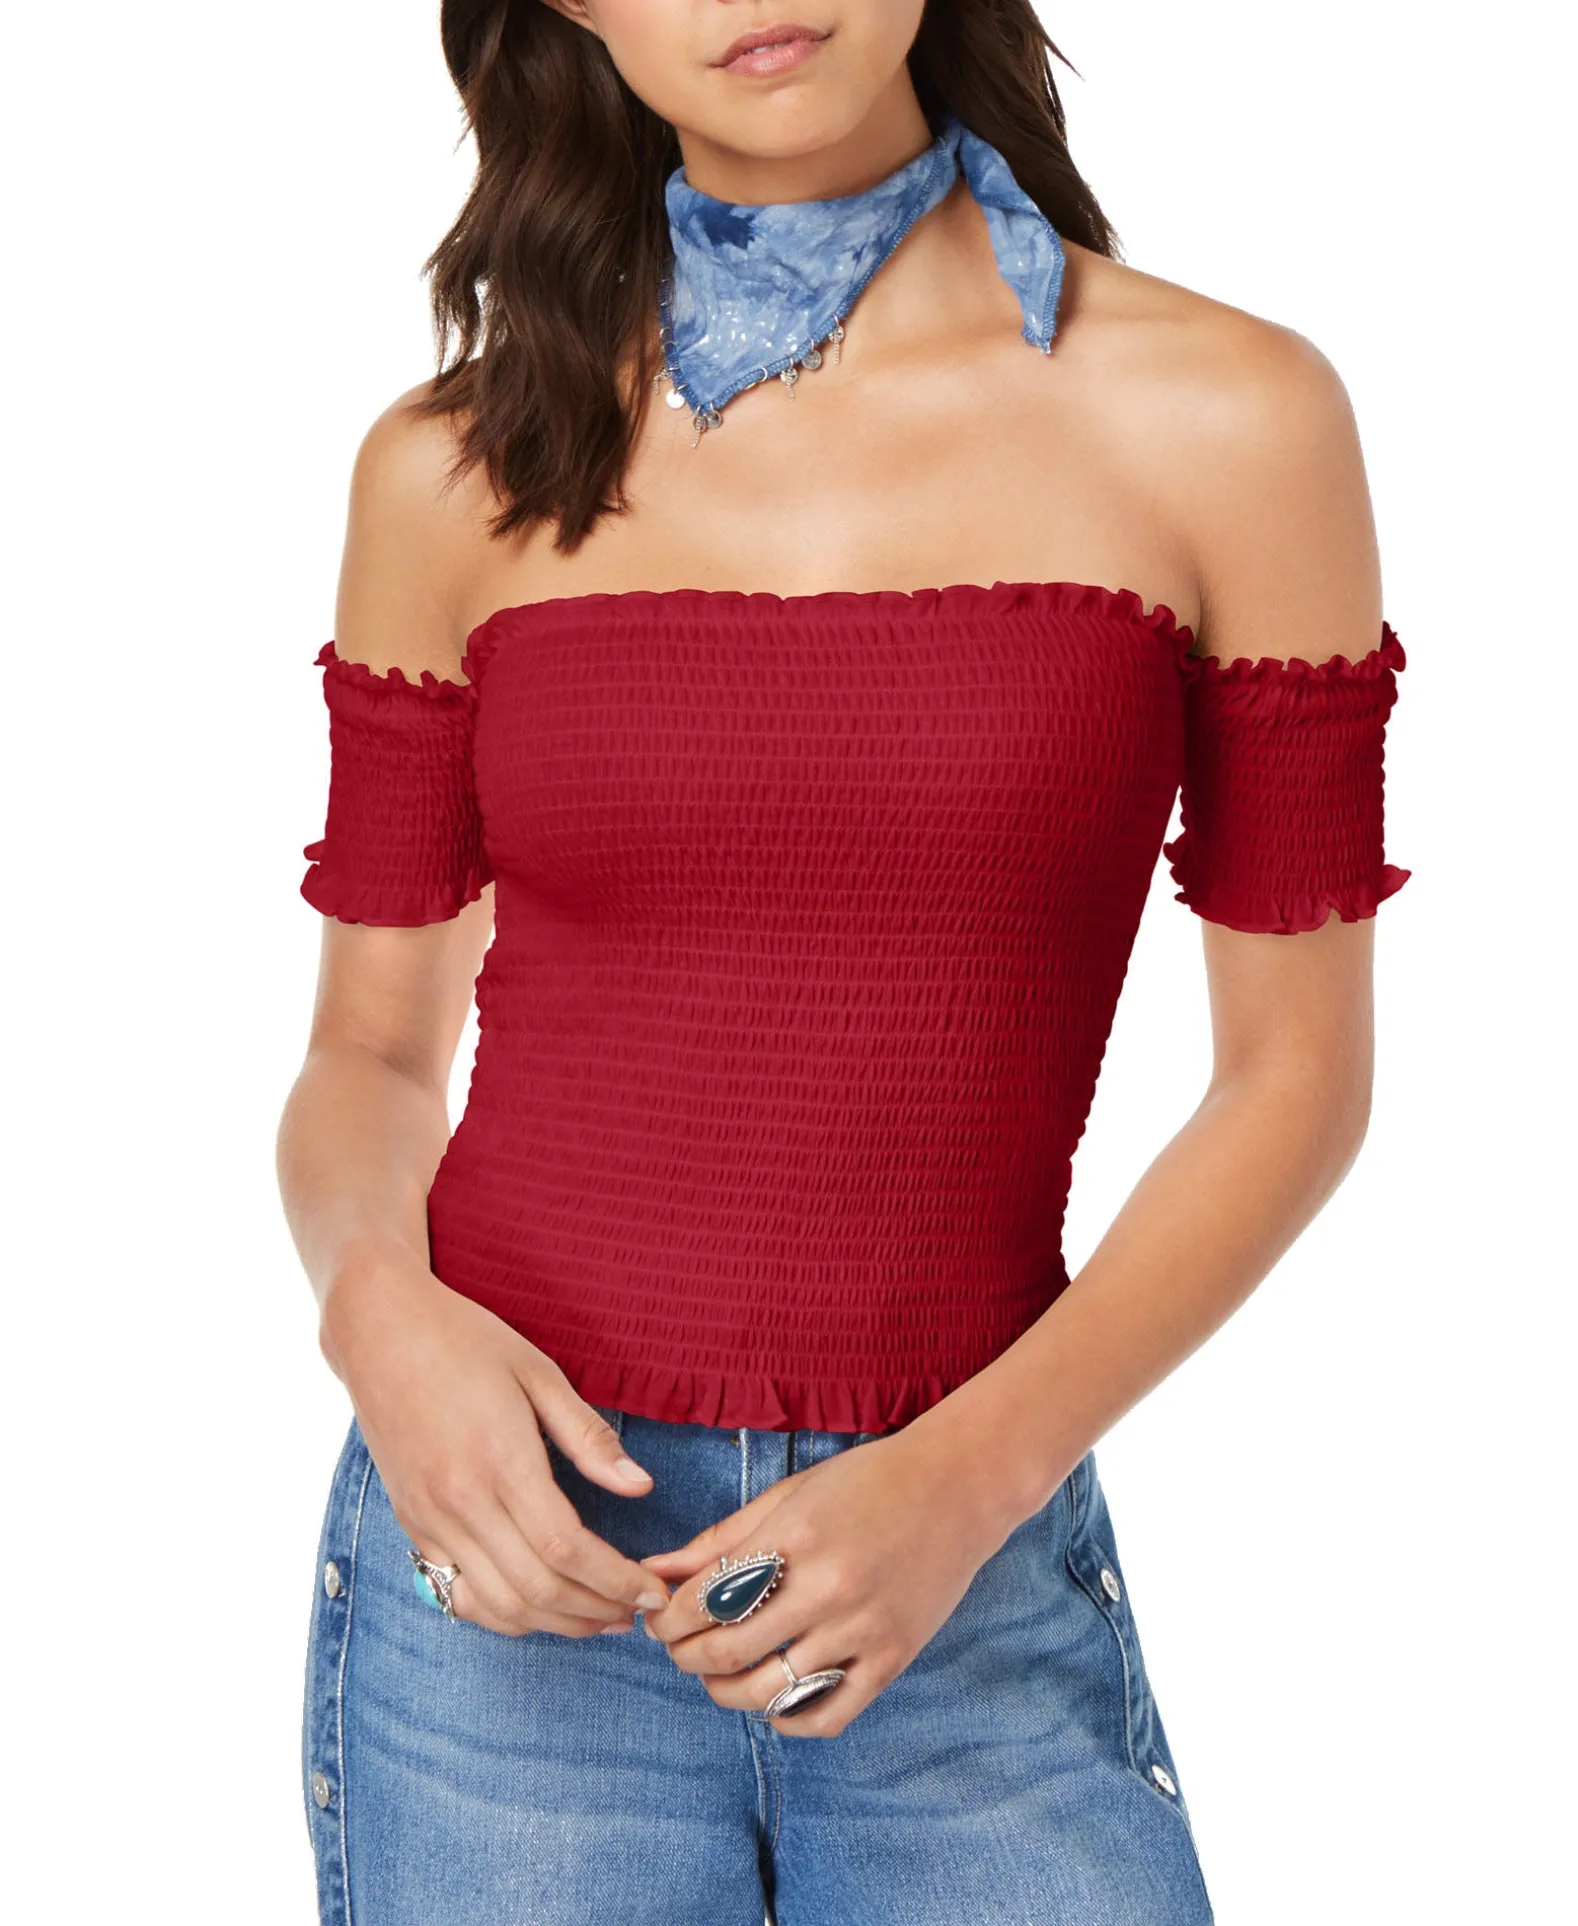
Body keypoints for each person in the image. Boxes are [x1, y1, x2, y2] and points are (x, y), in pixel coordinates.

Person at [276, 3, 1410, 1921]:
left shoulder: (1232, 418)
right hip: (505, 1573)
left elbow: (1295, 1078)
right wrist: (377, 1316)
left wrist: (964, 1483)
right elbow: (368, 1054)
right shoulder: (455, 467)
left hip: (961, 1554)